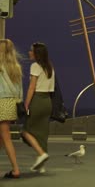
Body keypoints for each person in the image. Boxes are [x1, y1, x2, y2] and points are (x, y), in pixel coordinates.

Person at [22, 42, 55, 173]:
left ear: (37, 53)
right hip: (48, 101)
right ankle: (41, 165)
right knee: (42, 133)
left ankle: (41, 154)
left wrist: (26, 104)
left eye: (31, 51)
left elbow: (32, 87)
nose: (29, 52)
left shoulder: (35, 66)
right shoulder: (50, 67)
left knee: (26, 131)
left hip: (37, 100)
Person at [0, 39, 23, 178]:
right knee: (3, 136)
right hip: (11, 103)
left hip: (1, 102)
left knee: (6, 137)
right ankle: (15, 168)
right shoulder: (16, 67)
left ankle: (16, 169)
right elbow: (20, 90)